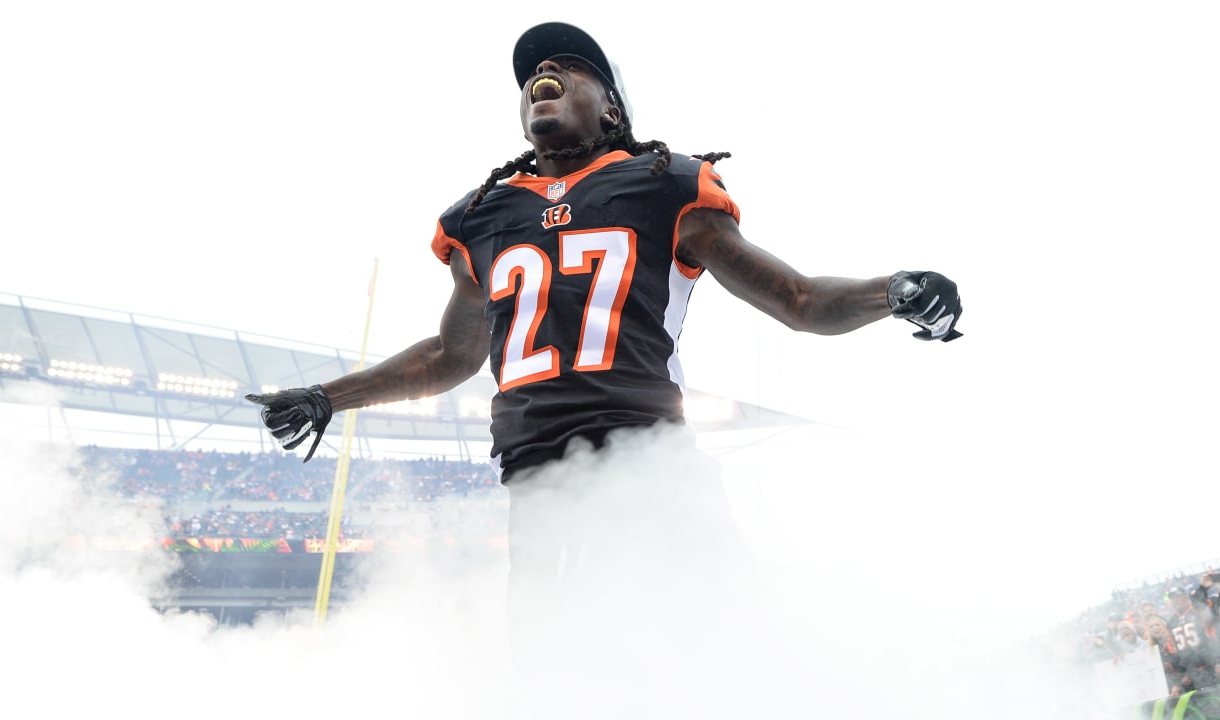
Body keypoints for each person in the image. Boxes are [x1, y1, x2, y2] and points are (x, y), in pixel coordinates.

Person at [245, 21, 963, 716]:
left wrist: (892, 292)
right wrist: (326, 397)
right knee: (555, 675)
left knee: (730, 647)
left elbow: (798, 299)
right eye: (531, 77)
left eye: (569, 69)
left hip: (647, 456)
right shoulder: (485, 217)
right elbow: (450, 355)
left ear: (611, 106)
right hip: (544, 481)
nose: (542, 78)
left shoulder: (663, 186)